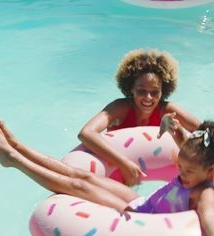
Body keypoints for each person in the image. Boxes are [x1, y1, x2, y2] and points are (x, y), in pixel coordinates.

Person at [0, 118, 214, 236]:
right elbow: (183, 140)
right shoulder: (195, 162)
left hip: (141, 216)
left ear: (211, 170)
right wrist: (172, 126)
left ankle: (14, 160)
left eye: (187, 171)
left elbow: (211, 219)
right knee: (85, 175)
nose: (182, 173)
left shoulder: (205, 193)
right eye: (180, 166)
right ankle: (19, 147)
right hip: (145, 203)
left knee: (79, 185)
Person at [78, 48, 200, 186]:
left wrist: (178, 131)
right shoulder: (120, 108)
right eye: (141, 91)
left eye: (155, 92)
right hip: (114, 170)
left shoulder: (167, 111)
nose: (148, 98)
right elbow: (86, 133)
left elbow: (205, 132)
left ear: (163, 91)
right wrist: (123, 163)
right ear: (131, 88)